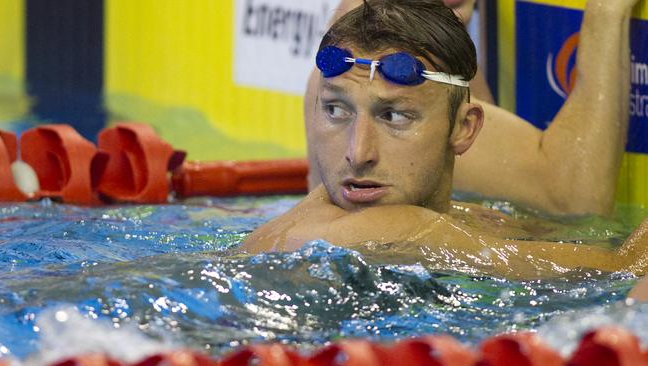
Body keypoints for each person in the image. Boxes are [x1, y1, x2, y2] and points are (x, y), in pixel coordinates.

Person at [242, 0, 648, 278]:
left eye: (394, 116)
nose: (357, 154)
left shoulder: (436, 218)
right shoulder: (396, 226)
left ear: (465, 127)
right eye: (336, 111)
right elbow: (621, 271)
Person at [305, 0, 632, 216]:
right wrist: (607, 11)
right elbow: (576, 200)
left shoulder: (349, 56)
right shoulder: (385, 58)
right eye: (335, 110)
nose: (358, 152)